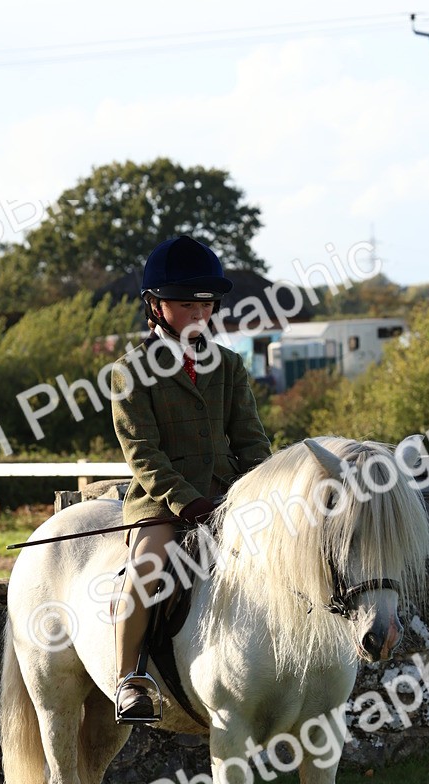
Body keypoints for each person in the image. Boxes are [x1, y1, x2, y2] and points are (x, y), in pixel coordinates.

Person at [111, 234, 271, 721]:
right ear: (155, 307)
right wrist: (187, 502)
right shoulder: (128, 373)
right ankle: (130, 679)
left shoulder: (229, 365)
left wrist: (262, 489)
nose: (200, 316)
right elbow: (144, 455)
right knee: (145, 572)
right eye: (187, 305)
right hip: (164, 504)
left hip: (228, 498)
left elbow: (250, 441)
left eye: (207, 306)